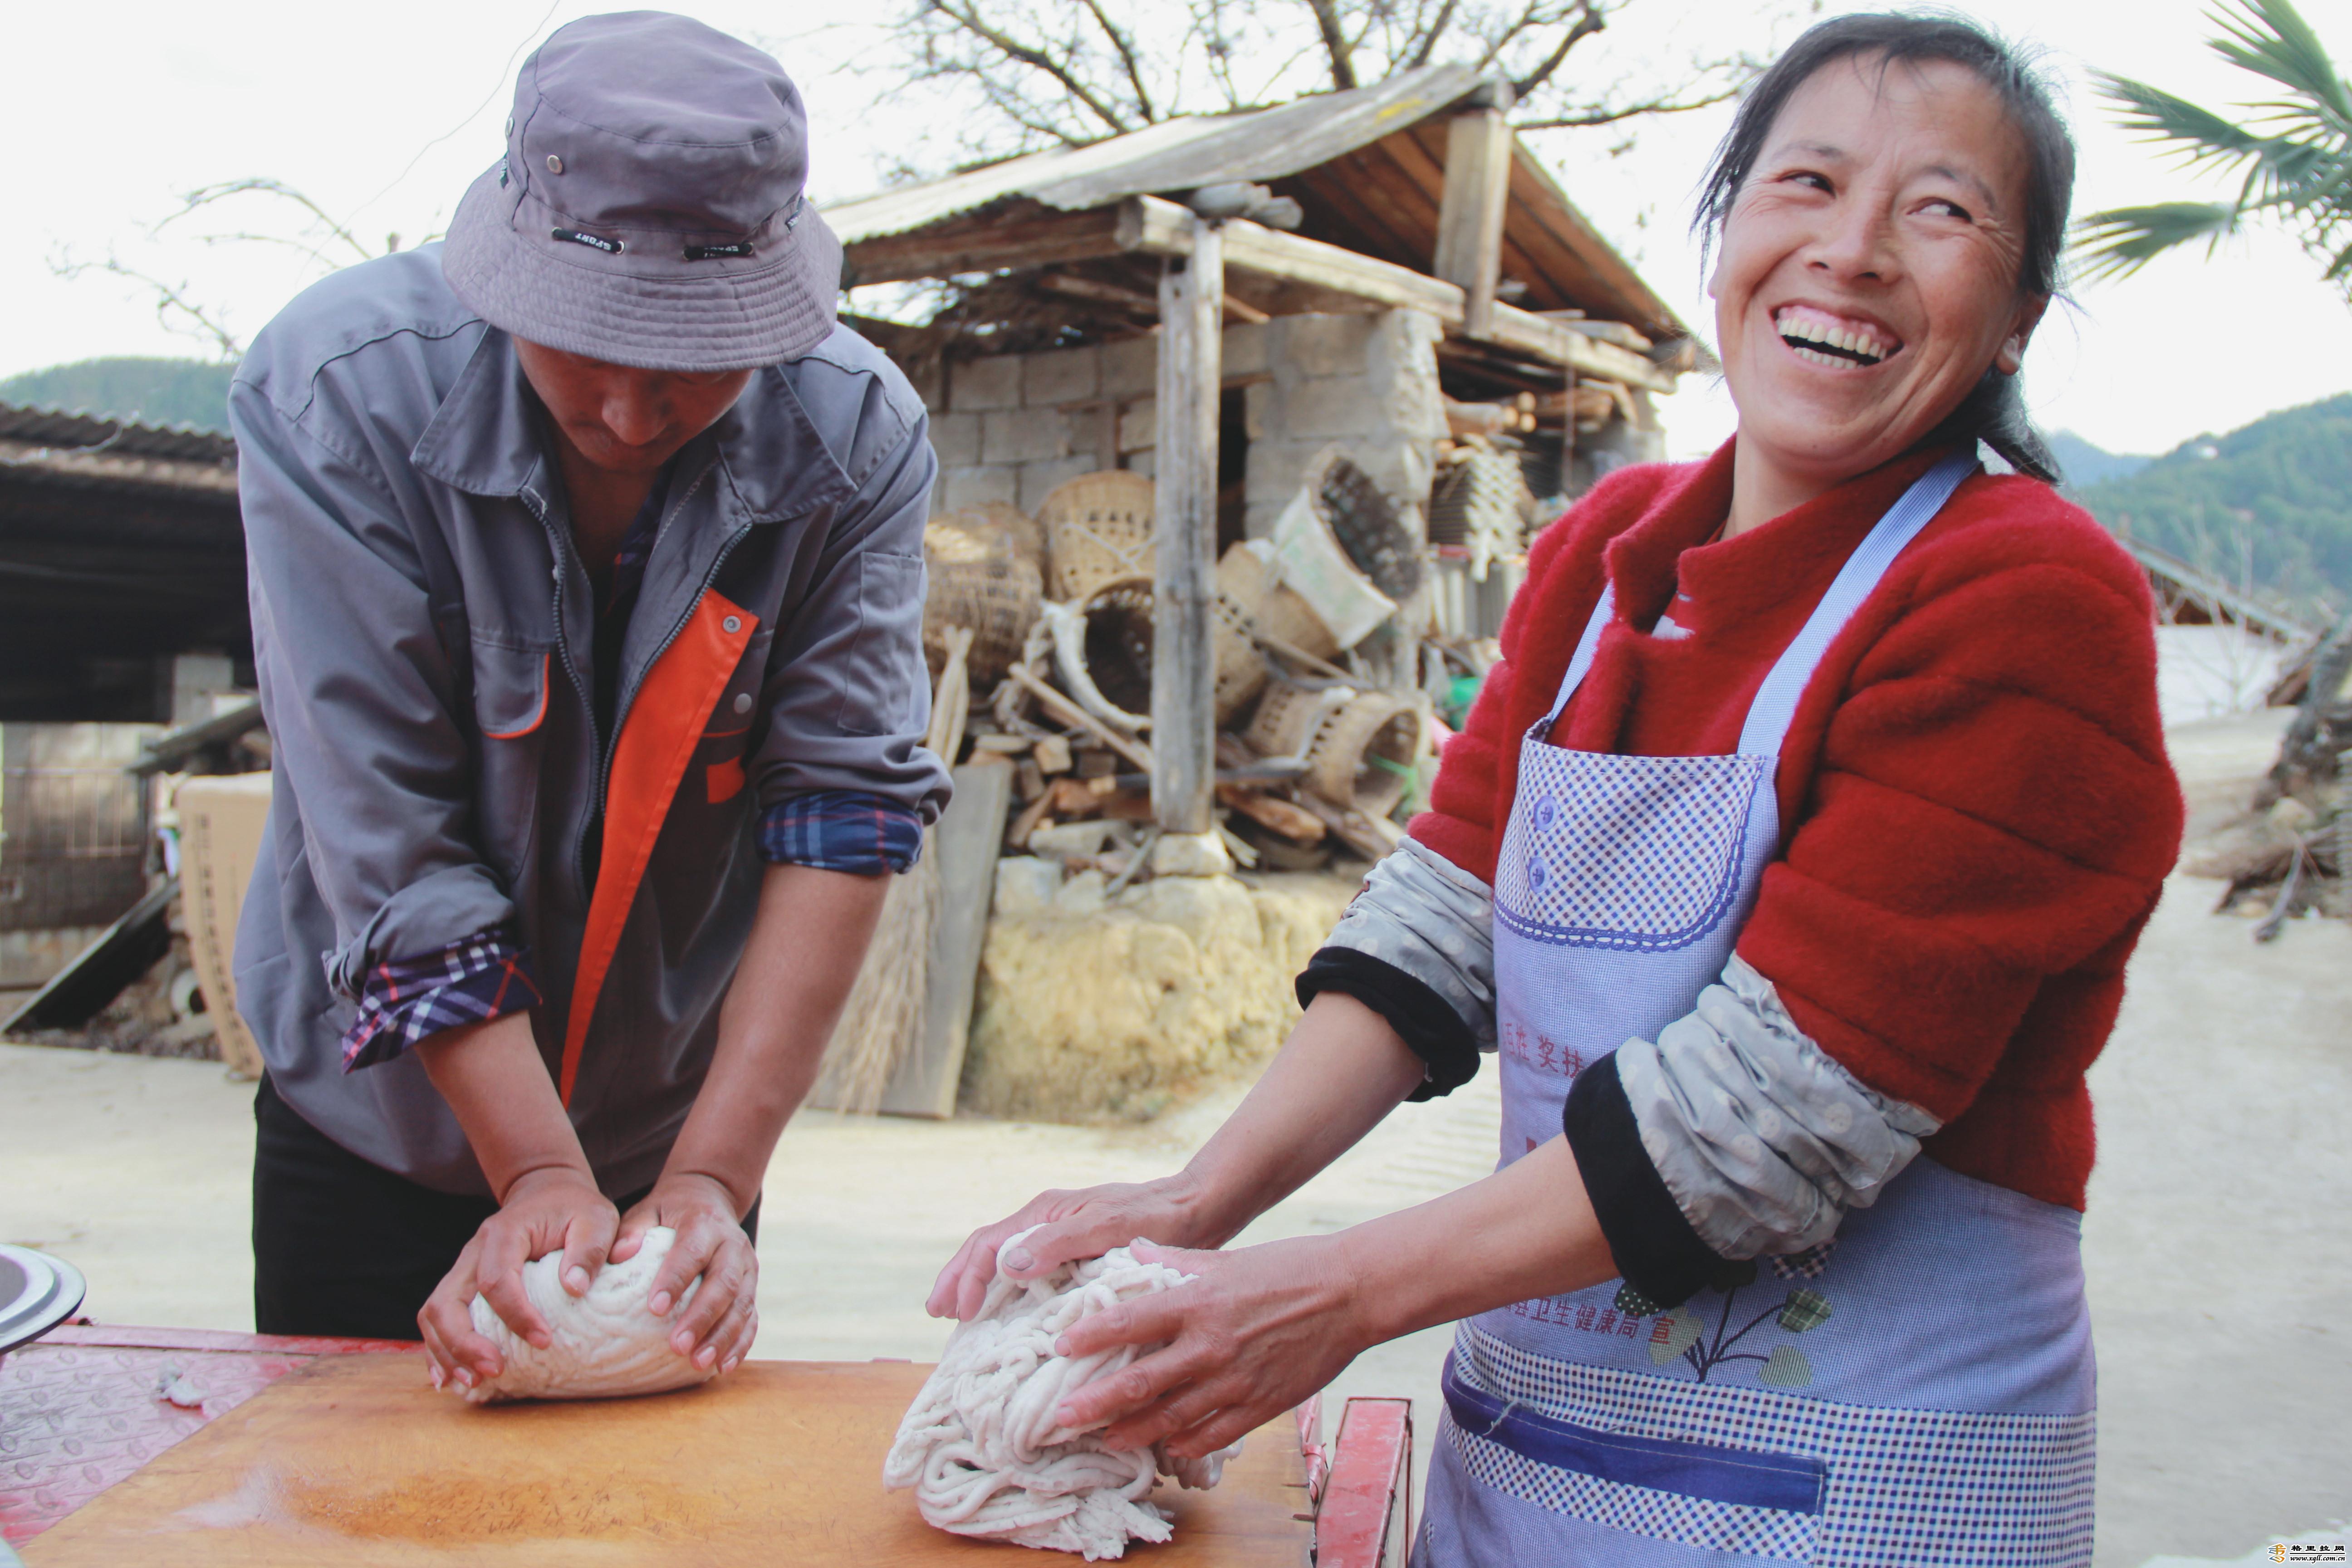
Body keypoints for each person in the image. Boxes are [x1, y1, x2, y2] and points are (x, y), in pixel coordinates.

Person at [928, 13, 2182, 1562]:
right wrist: (1200, 1202)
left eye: (1940, 212)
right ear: (1728, 233)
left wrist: (1334, 1295)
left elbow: (1768, 1120)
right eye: (1807, 183)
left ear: (2014, 319)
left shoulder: (2030, 595)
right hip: (1535, 1459)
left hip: (1861, 1489)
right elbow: (1438, 923)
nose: (1851, 252)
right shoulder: (1604, 557)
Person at [231, 13, 947, 1393]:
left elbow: (843, 807)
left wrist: (715, 1183)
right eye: (585, 344)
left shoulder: (854, 437)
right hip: (379, 1119)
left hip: (676, 1118)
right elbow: (382, 835)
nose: (629, 410)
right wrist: (534, 1166)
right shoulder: (338, 399)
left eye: (694, 355)